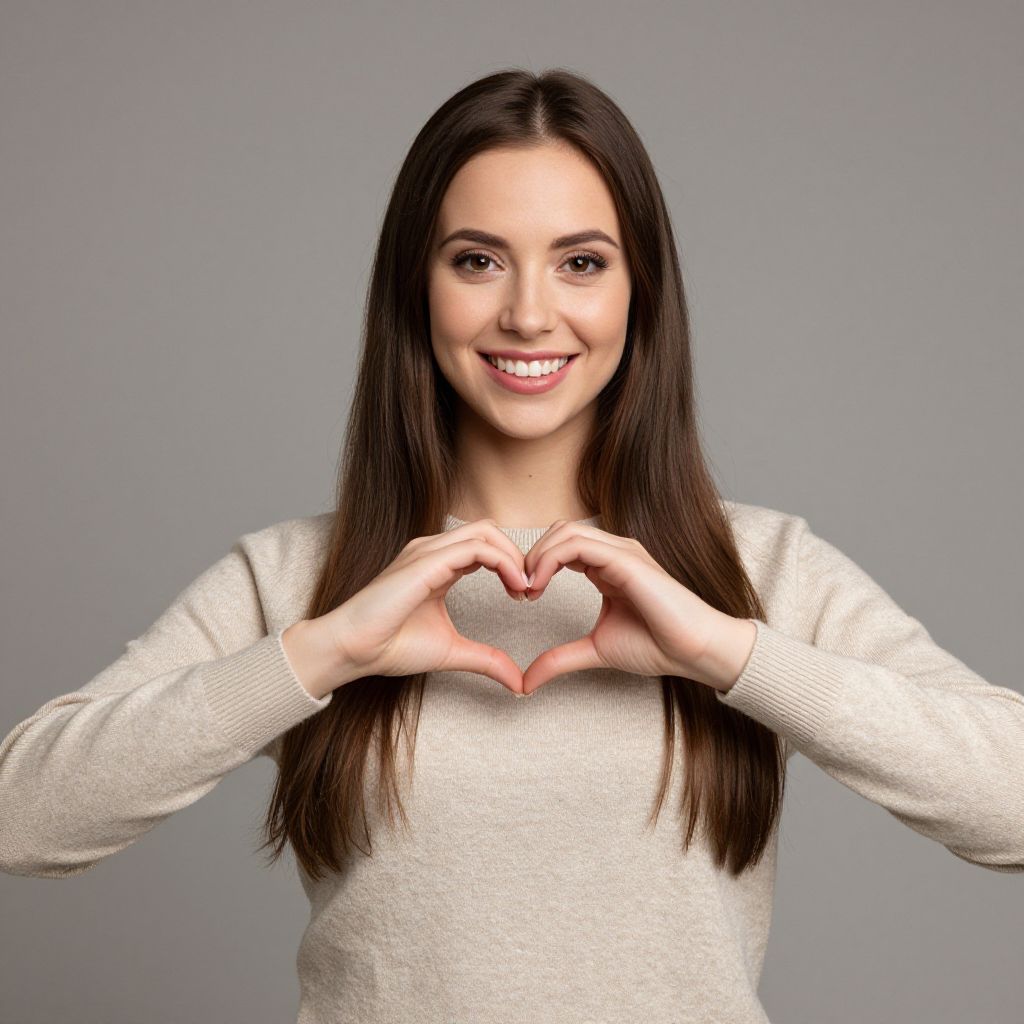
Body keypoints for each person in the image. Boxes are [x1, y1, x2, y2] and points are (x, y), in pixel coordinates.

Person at [2, 67, 1022, 1023]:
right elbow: (22, 820)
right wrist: (321, 654)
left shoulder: (758, 568)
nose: (528, 313)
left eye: (581, 262)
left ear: (639, 294)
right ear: (418, 288)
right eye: (477, 260)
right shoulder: (293, 579)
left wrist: (727, 655)